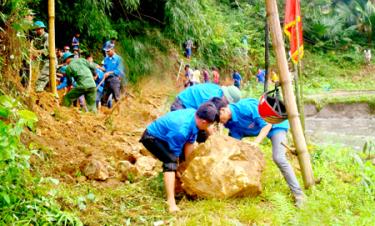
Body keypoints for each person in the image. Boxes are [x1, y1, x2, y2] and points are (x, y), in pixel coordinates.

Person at [218, 98, 305, 207]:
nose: (219, 122)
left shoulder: (245, 107)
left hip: (275, 124)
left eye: (218, 118)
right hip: (258, 129)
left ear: (223, 110)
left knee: (279, 158)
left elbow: (267, 125)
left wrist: (256, 143)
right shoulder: (229, 122)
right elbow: (234, 143)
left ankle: (298, 194)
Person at [139, 102, 219, 213]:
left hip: (168, 135)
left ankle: (179, 189)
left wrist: (187, 167)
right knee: (170, 161)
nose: (208, 128)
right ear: (203, 121)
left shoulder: (194, 116)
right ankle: (170, 202)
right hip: (151, 137)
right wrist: (177, 170)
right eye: (209, 125)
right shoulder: (181, 130)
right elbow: (174, 155)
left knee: (182, 161)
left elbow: (189, 144)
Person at [170, 83, 241, 111]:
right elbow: (202, 117)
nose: (226, 105)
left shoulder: (219, 92)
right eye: (227, 102)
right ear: (226, 96)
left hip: (190, 106)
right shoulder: (212, 98)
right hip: (181, 105)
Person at [32, 21, 50, 92]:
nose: (38, 30)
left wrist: (35, 52)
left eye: (40, 29)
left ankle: (39, 90)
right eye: (37, 29)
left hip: (49, 60)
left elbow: (47, 50)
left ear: (43, 28)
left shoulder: (47, 36)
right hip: (42, 60)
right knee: (42, 75)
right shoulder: (36, 37)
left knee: (43, 76)